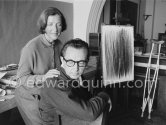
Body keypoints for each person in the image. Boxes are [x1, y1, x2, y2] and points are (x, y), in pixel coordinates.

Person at [39, 39, 111, 125]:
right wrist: (104, 96)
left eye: (81, 62)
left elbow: (87, 99)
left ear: (87, 62)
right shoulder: (53, 83)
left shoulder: (78, 76)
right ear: (62, 60)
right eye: (70, 62)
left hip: (71, 116)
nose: (76, 68)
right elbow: (90, 114)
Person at [15, 7, 67, 125]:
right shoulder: (31, 47)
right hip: (30, 96)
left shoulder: (59, 44)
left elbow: (62, 69)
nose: (55, 29)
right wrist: (43, 77)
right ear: (44, 26)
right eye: (50, 24)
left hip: (49, 92)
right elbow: (20, 79)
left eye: (59, 24)